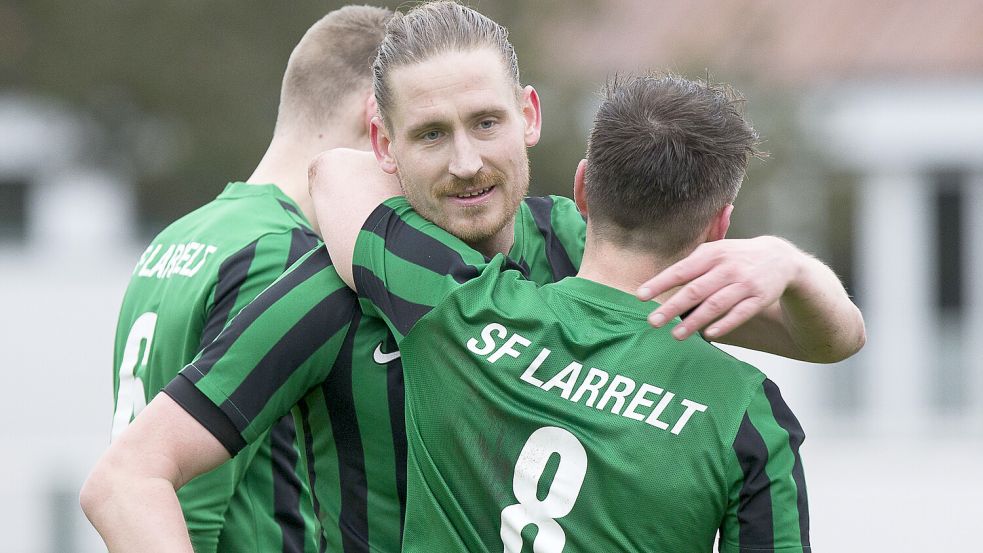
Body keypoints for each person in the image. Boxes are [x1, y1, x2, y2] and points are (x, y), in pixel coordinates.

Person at [81, 2, 861, 551]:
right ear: (383, 144)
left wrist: (787, 262)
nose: (464, 163)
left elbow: (830, 340)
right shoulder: (328, 284)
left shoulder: (580, 245)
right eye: (430, 135)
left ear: (528, 115)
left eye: (484, 123)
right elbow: (126, 481)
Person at [313, 73, 811, 552]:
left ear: (581, 190)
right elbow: (838, 339)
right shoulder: (748, 414)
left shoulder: (456, 308)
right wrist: (793, 266)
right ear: (719, 226)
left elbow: (333, 173)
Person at [96, 6, 391, 553]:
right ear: (375, 118)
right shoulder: (284, 255)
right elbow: (182, 513)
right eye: (415, 135)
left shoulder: (176, 238)